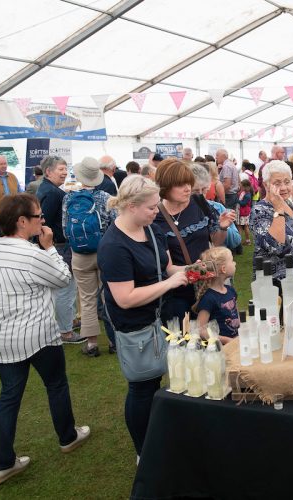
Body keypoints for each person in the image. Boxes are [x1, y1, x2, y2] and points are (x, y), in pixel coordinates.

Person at [0, 194, 90, 485]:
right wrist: (49, 249)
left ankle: (1, 463)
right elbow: (62, 278)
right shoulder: (30, 254)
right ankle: (67, 437)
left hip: (2, 336)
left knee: (8, 398)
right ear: (22, 221)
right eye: (38, 217)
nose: (42, 221)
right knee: (56, 385)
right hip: (38, 334)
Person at [97, 175, 189, 461]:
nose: (156, 211)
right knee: (142, 387)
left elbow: (167, 266)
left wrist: (195, 269)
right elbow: (125, 298)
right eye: (151, 207)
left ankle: (161, 434)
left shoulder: (151, 229)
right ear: (131, 206)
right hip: (134, 324)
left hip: (160, 316)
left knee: (160, 379)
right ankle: (143, 450)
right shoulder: (113, 246)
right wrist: (170, 285)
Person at [154, 159, 235, 320]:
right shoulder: (156, 217)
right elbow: (168, 268)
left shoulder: (198, 202)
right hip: (178, 294)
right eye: (181, 184)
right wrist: (198, 270)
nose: (188, 189)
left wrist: (223, 228)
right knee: (187, 340)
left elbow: (216, 242)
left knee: (215, 336)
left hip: (208, 287)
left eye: (189, 183)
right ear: (165, 187)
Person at [62, 157, 117, 357]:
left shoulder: (69, 198)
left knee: (86, 299)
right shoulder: (105, 197)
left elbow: (65, 228)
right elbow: (116, 224)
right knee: (109, 296)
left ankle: (92, 344)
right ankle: (114, 341)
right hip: (104, 252)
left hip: (80, 254)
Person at [37, 155, 82, 344]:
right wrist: (49, 243)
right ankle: (65, 332)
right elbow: (42, 221)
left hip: (57, 245)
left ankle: (68, 321)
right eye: (61, 169)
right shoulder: (52, 193)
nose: (65, 172)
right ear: (48, 171)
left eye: (66, 169)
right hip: (59, 246)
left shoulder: (49, 189)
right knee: (66, 288)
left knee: (65, 288)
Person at [250, 160, 293, 281]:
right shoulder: (259, 211)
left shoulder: (291, 205)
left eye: (287, 182)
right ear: (266, 185)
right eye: (277, 183)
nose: (284, 187)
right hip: (276, 287)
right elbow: (275, 246)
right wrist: (279, 208)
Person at [190, 163, 241, 251]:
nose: (201, 194)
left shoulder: (217, 207)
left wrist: (224, 227)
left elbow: (236, 240)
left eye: (204, 190)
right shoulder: (183, 211)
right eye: (195, 191)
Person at [194, 246, 239, 344]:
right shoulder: (209, 298)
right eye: (232, 260)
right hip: (220, 350)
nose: (235, 263)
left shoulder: (231, 290)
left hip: (236, 343)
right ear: (223, 269)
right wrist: (226, 340)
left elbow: (236, 316)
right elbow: (200, 330)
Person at [0, 155, 23, 236]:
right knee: (0, 237)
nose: (4, 166)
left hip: (12, 214)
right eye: (1, 164)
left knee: (11, 236)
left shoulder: (12, 176)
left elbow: (20, 193)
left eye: (5, 163)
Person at [236, 178, 252, 245]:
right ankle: (245, 241)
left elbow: (243, 204)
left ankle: (243, 241)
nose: (241, 187)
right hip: (242, 212)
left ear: (246, 187)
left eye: (242, 186)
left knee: (242, 226)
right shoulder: (244, 193)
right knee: (243, 226)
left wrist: (236, 200)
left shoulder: (247, 195)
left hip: (243, 213)